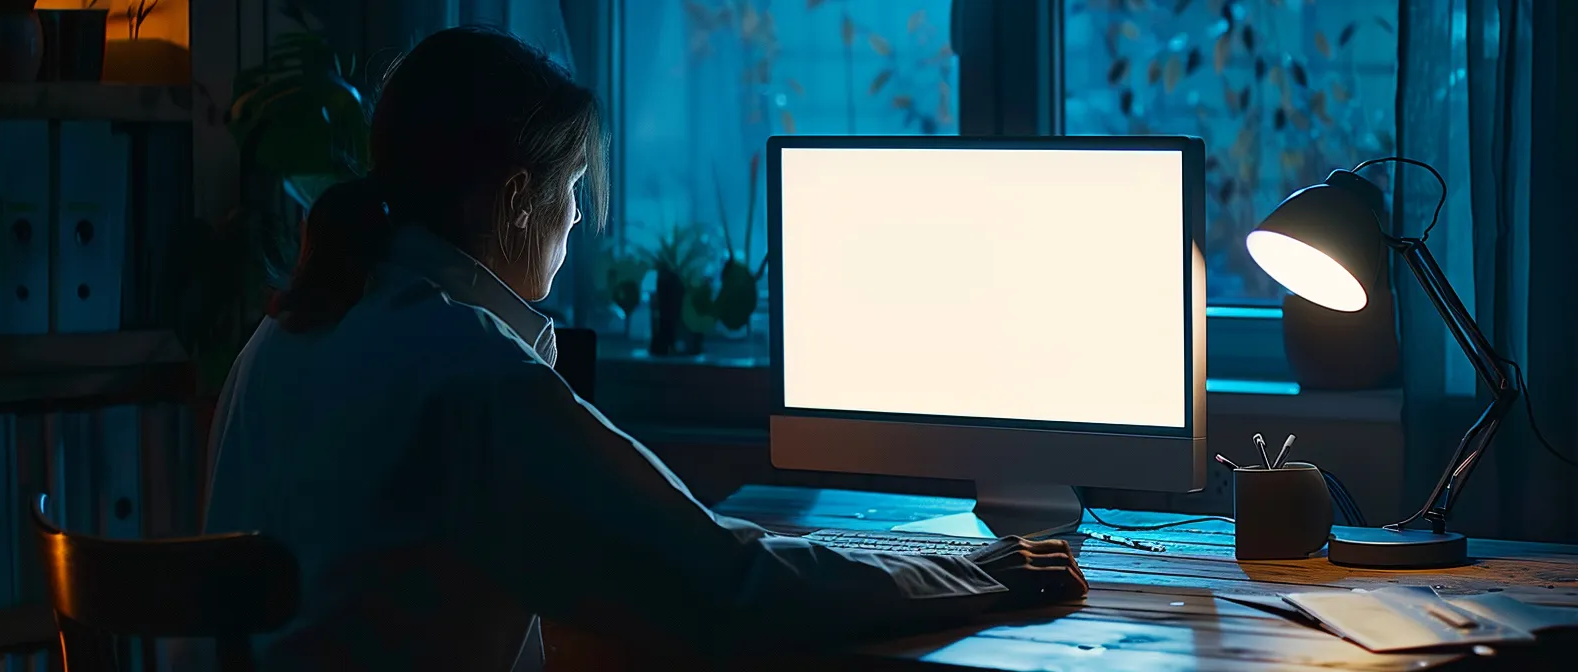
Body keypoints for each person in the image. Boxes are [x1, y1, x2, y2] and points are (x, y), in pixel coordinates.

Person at [200, 26, 1087, 672]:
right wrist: (974, 574)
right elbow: (730, 589)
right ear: (517, 198)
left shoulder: (281, 341)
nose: (580, 217)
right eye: (574, 188)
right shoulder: (470, 377)